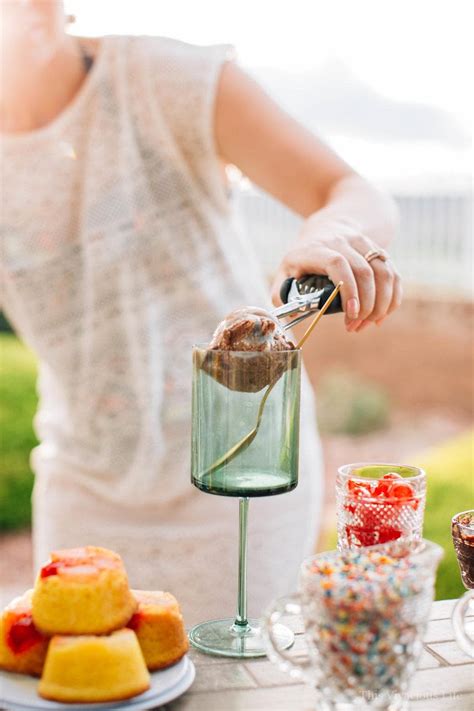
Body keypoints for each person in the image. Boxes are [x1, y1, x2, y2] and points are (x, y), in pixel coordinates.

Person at [0, 1, 400, 625]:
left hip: (242, 472)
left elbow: (347, 190)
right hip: (83, 483)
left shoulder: (160, 79)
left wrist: (336, 234)